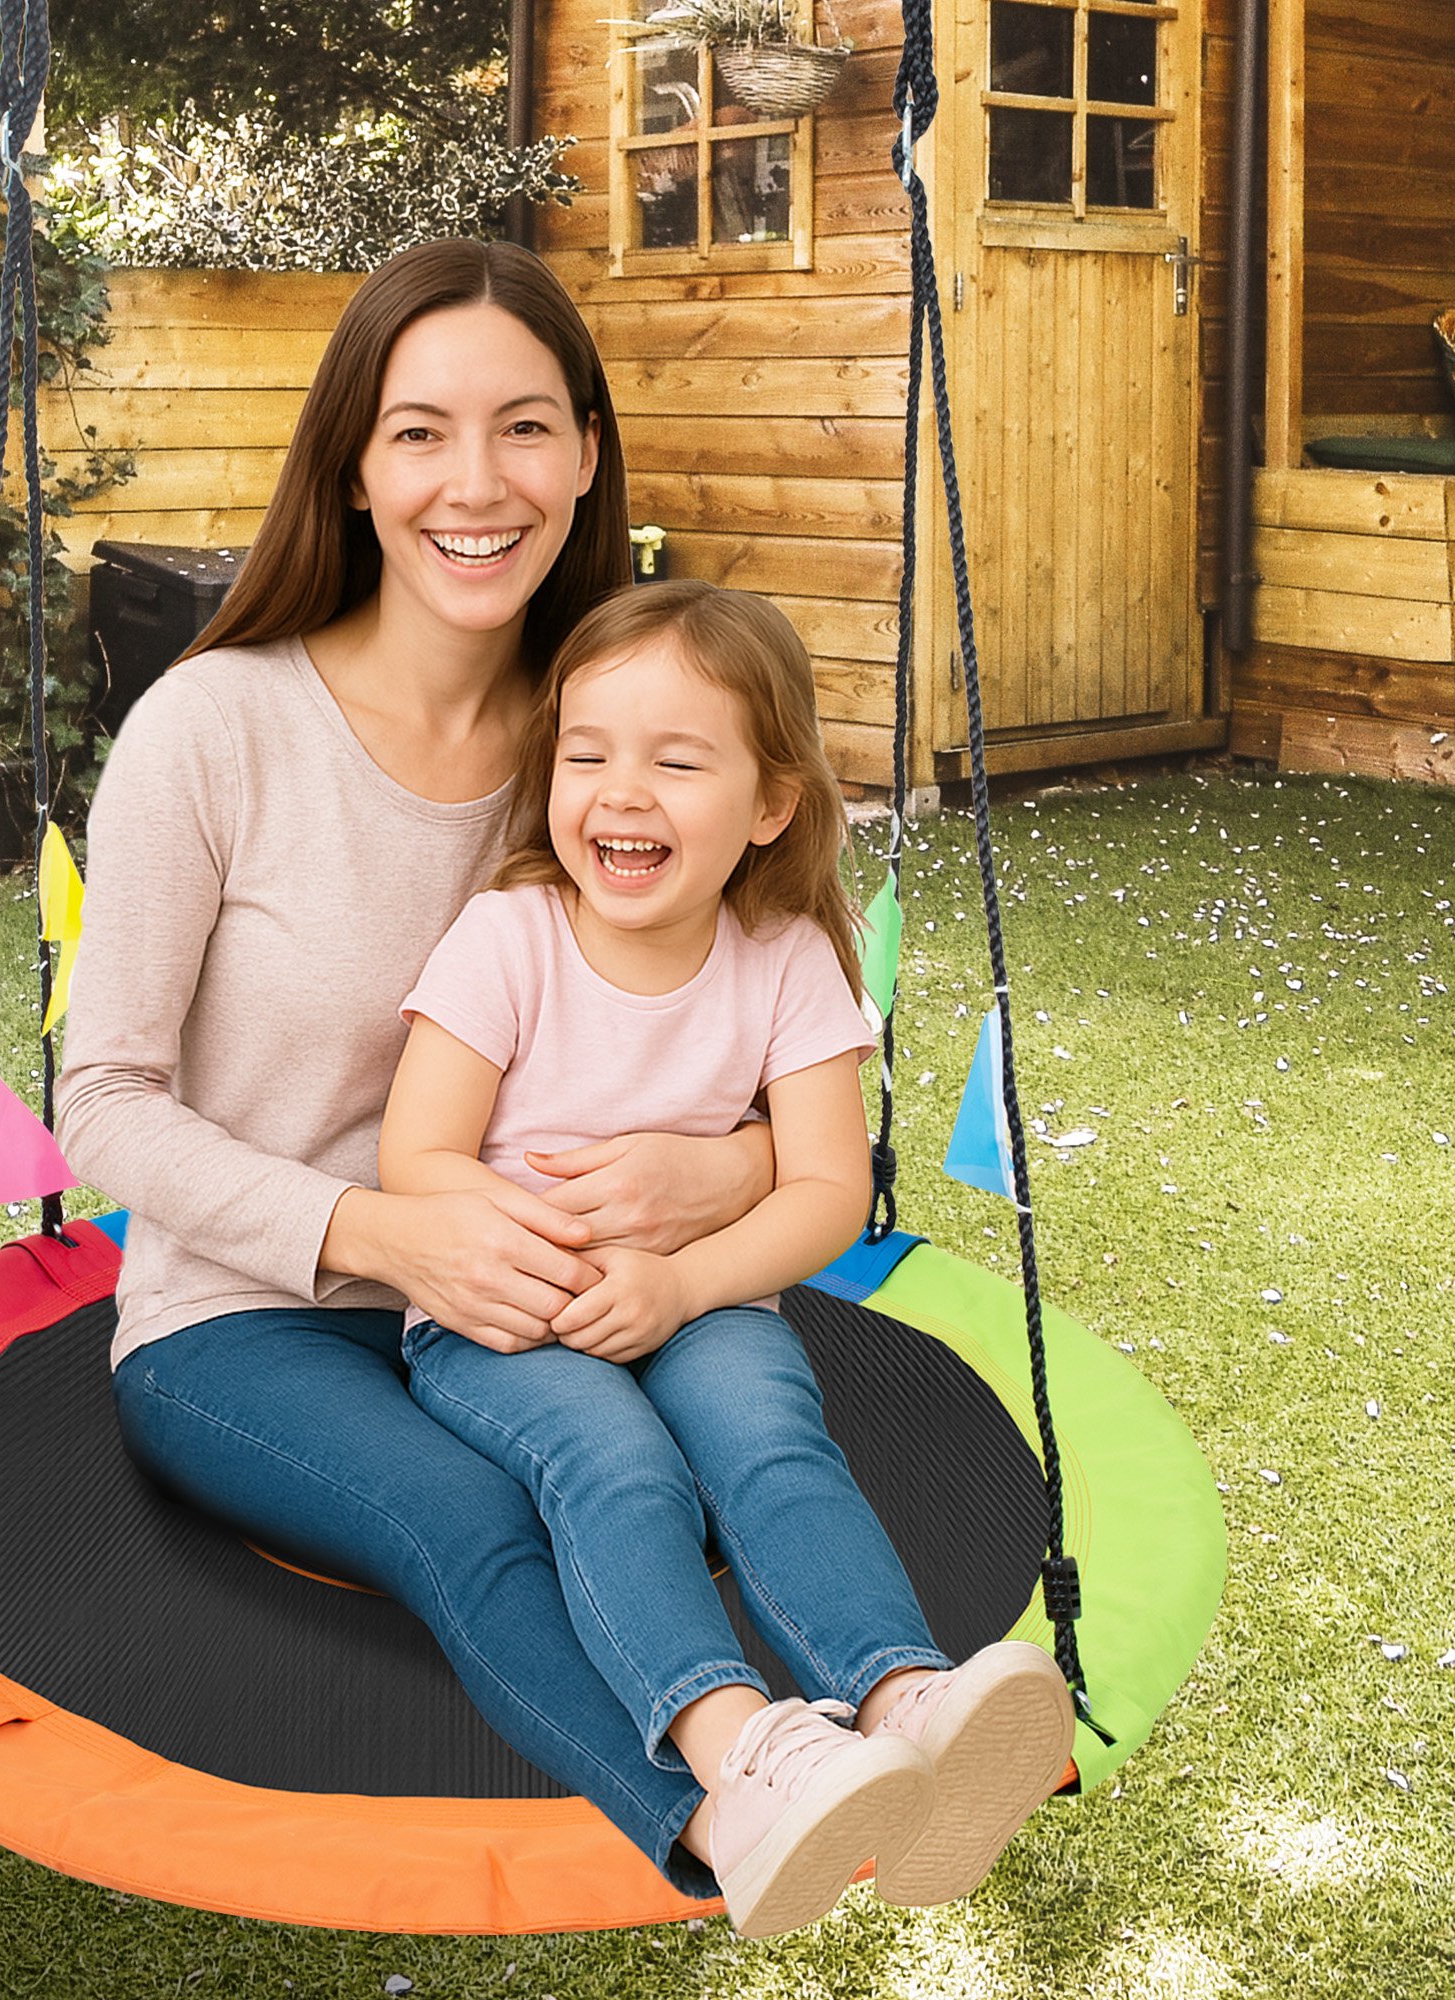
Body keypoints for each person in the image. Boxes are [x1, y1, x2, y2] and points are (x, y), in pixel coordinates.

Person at [54, 239, 787, 1910]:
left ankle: (877, 1710)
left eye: (525, 428)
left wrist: (734, 1170)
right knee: (479, 1521)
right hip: (250, 1314)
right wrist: (378, 1234)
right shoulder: (214, 729)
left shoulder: (613, 742)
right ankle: (734, 1816)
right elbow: (102, 1100)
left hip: (536, 1300)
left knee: (701, 1475)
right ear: (354, 470)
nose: (478, 484)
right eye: (419, 434)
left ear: (586, 455)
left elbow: (757, 1029)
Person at [377, 580, 1077, 1936]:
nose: (620, 794)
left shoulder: (787, 957)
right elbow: (421, 1158)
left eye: (677, 762)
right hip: (502, 1307)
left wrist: (686, 1284)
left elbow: (827, 1191)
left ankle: (902, 1696)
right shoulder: (508, 939)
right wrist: (559, 1264)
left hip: (703, 1291)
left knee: (770, 1443)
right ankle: (743, 1750)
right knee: (616, 1465)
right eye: (587, 754)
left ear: (770, 804)